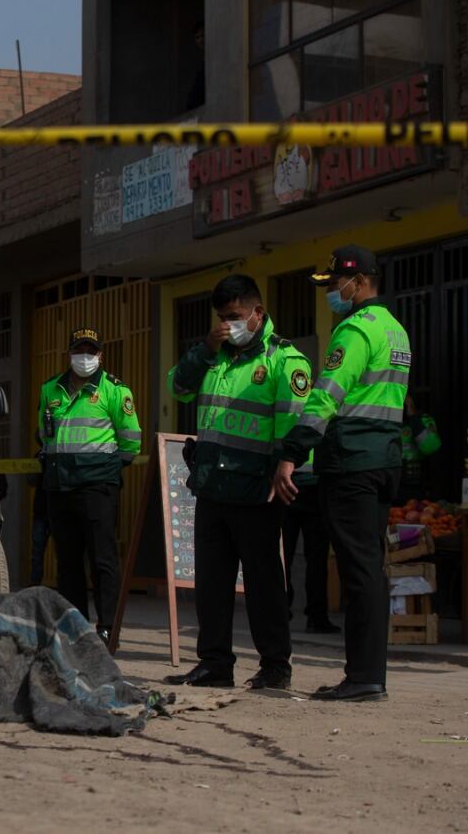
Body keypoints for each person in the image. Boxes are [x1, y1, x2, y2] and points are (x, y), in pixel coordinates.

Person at [272, 244, 411, 703]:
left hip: (351, 461)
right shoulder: (396, 330)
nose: (333, 290)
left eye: (336, 282)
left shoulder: (354, 331)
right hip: (384, 460)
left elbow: (325, 398)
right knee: (370, 566)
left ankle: (364, 677)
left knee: (359, 571)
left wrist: (292, 453)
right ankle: (369, 673)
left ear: (359, 281)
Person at [162, 275, 310, 690]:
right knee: (211, 583)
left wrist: (285, 468)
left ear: (257, 313)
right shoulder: (215, 356)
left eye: (236, 316)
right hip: (211, 485)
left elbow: (293, 424)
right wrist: (206, 348)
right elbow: (177, 386)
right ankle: (215, 664)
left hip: (256, 488)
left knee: (263, 583)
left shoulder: (285, 360)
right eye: (222, 318)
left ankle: (275, 667)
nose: (228, 325)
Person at [37, 326, 142, 642]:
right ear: (69, 354)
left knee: (102, 559)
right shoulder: (50, 390)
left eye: (91, 351)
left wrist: (104, 469)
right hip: (60, 485)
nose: (85, 357)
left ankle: (108, 627)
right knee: (67, 562)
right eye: (79, 350)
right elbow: (44, 435)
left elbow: (131, 443)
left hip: (97, 486)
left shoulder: (115, 391)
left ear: (100, 355)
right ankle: (75, 628)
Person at [282, 453, 340, 635]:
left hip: (287, 481)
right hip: (315, 485)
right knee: (316, 558)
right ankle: (317, 617)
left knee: (284, 555)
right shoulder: (322, 422)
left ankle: (281, 612)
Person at [397, 393, 441, 504]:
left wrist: (413, 417)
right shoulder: (388, 422)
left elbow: (430, 447)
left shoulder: (424, 420)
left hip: (416, 485)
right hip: (392, 484)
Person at [28, 460, 50, 586]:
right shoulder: (39, 456)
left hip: (57, 511)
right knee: (37, 552)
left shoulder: (62, 450)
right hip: (41, 512)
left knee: (64, 553)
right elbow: (30, 480)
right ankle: (35, 585)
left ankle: (64, 586)